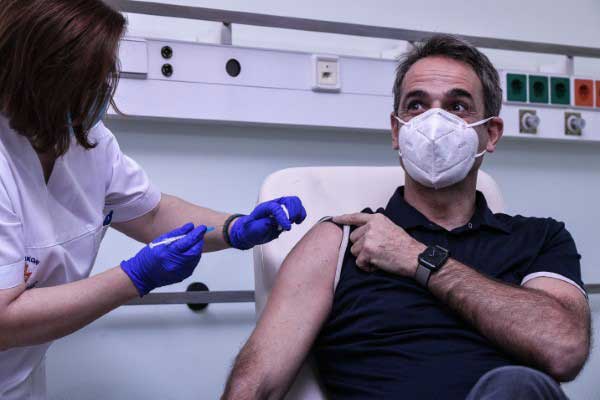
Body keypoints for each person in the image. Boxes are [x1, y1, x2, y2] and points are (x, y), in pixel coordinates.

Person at [222, 35, 590, 400]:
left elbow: (564, 350)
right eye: (416, 105)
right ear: (397, 131)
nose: (434, 122)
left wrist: (419, 258)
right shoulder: (339, 243)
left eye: (457, 106)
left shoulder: (539, 240)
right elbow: (253, 386)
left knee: (516, 387)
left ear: (490, 134)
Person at [0, 1, 306, 398]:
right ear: (42, 77)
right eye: (93, 77)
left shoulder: (87, 143)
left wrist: (234, 228)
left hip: (19, 377)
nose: (105, 88)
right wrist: (134, 277)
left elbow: (152, 214)